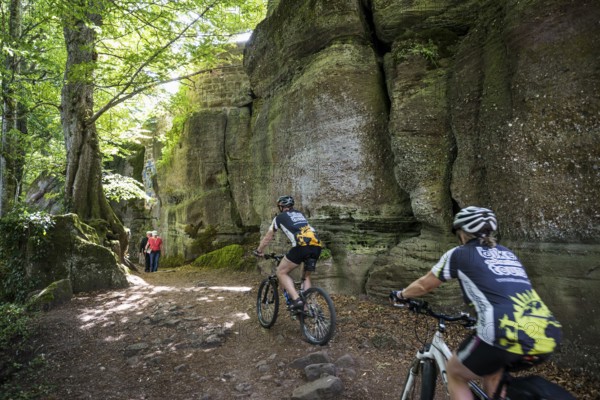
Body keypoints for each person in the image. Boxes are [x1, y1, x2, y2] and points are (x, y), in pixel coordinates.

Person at [390, 206, 562, 399]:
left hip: (502, 328)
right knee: (493, 375)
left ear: (462, 232)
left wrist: (401, 295)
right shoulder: (508, 254)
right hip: (547, 330)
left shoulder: (459, 254)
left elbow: (424, 285)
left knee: (455, 372)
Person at [254, 195, 323, 310]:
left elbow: (268, 237)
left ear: (281, 207)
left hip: (301, 246)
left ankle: (296, 300)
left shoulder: (279, 218)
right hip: (317, 246)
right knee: (306, 276)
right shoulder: (300, 215)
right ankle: (306, 307)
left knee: (281, 272)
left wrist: (259, 250)